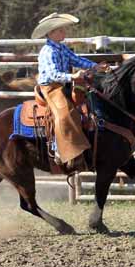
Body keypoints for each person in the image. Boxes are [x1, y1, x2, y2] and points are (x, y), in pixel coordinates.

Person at [32, 13, 107, 171]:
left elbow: (77, 59)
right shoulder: (48, 51)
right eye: (60, 30)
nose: (64, 32)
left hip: (62, 84)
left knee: (87, 102)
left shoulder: (62, 48)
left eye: (63, 29)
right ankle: (59, 148)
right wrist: (72, 76)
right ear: (51, 33)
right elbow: (53, 74)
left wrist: (95, 66)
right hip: (51, 87)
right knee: (65, 113)